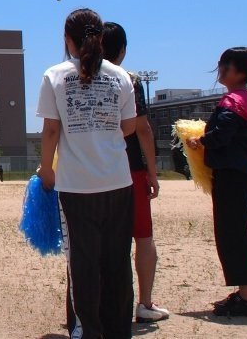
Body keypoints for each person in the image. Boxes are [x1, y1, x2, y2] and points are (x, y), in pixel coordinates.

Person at [36, 9, 137, 338]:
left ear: (67, 39)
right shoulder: (121, 77)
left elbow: (51, 130)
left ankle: (88, 330)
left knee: (83, 261)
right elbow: (129, 127)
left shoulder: (55, 75)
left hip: (77, 185)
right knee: (117, 260)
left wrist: (45, 169)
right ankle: (118, 329)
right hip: (119, 180)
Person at [186, 47, 247, 316]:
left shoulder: (233, 101)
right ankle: (245, 294)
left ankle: (246, 299)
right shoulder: (246, 99)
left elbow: (223, 133)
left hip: (230, 173)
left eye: (225, 66)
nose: (220, 70)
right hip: (238, 172)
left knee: (233, 234)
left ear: (239, 72)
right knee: (236, 231)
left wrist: (200, 141)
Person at [102, 21, 169, 323]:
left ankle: (98, 303)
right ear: (123, 50)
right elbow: (142, 128)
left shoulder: (79, 78)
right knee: (143, 236)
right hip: (131, 168)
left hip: (95, 170)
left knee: (98, 239)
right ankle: (144, 302)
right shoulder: (129, 79)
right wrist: (153, 172)